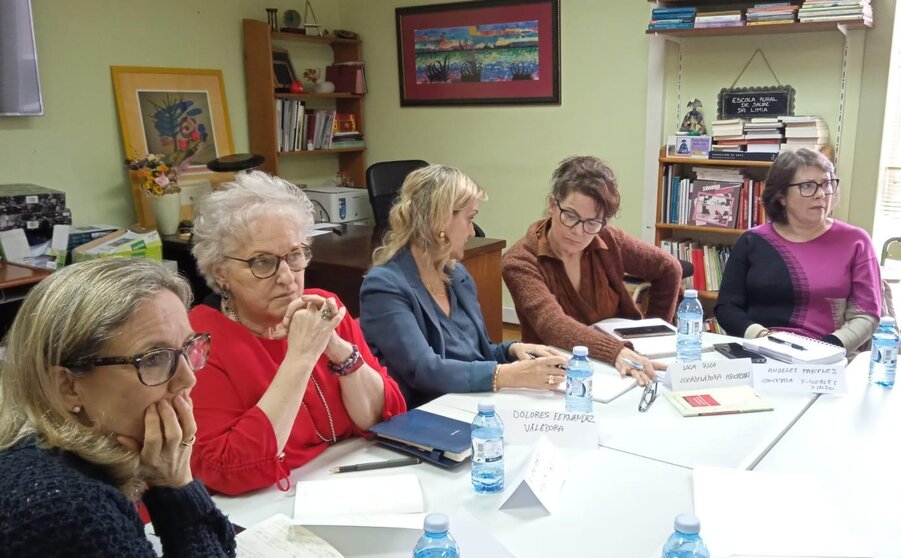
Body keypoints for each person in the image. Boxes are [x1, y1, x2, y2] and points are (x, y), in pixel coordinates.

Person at [188, 171, 406, 496]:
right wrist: (301, 356)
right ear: (221, 272)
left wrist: (338, 350)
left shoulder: (323, 309)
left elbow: (385, 415)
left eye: (294, 255)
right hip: (262, 508)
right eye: (262, 262)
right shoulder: (199, 342)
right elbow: (227, 470)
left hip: (348, 486)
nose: (288, 277)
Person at [0, 258, 235, 557]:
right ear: (68, 387)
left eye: (189, 348)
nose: (187, 379)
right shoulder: (67, 508)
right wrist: (177, 485)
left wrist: (170, 478)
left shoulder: (53, 463)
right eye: (153, 359)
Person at [360, 164, 568, 408]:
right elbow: (423, 370)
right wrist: (510, 375)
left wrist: (513, 350)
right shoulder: (384, 287)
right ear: (440, 222)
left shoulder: (457, 276)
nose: (472, 231)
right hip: (425, 414)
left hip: (470, 405)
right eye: (470, 219)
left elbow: (475, 353)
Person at [502, 156, 683, 386]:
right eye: (570, 216)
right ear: (552, 205)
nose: (578, 232)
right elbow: (553, 325)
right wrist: (615, 351)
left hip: (622, 363)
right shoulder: (519, 261)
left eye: (592, 222)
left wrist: (653, 333)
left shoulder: (608, 239)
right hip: (560, 373)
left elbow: (669, 268)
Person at [715, 148, 881, 352]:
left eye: (827, 184)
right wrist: (763, 337)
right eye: (807, 186)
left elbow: (866, 315)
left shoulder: (856, 241)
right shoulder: (752, 240)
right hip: (758, 350)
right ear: (781, 196)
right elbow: (727, 308)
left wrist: (825, 348)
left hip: (826, 355)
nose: (821, 194)